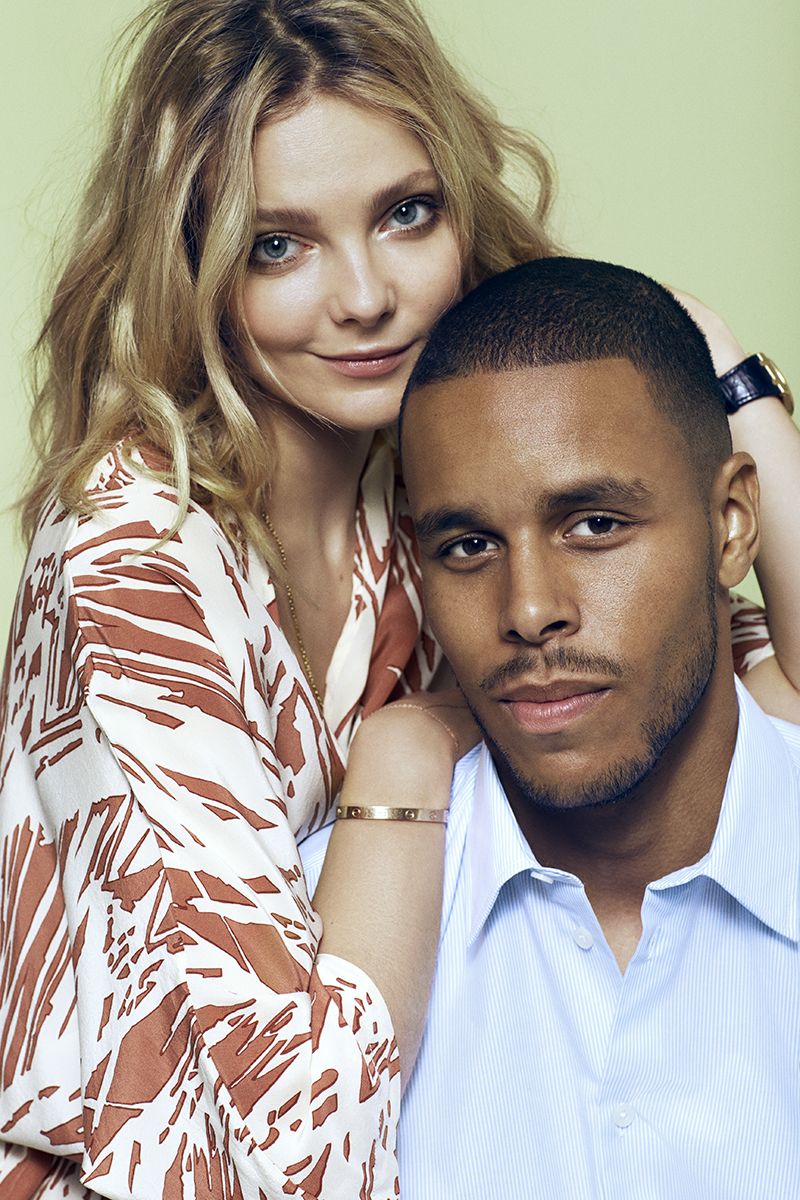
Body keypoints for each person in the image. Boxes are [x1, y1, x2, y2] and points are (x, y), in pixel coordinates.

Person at [0, 0, 798, 1195]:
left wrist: (722, 375)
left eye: (403, 214)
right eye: (280, 245)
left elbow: (767, 702)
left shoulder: (426, 490)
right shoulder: (131, 551)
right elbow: (297, 1143)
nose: (365, 296)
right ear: (195, 272)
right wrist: (401, 767)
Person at [302, 257, 800, 1198]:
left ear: (734, 523)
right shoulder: (315, 933)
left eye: (596, 525)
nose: (530, 610)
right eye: (468, 545)